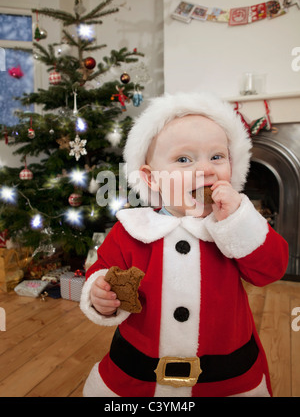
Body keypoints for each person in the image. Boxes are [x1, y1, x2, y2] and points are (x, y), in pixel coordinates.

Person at [80, 92, 288, 397]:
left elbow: (271, 270)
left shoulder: (234, 224)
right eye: (184, 159)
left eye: (217, 156)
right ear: (151, 179)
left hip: (224, 375)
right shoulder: (131, 230)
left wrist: (240, 221)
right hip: (139, 374)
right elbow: (102, 273)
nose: (206, 170)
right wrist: (101, 294)